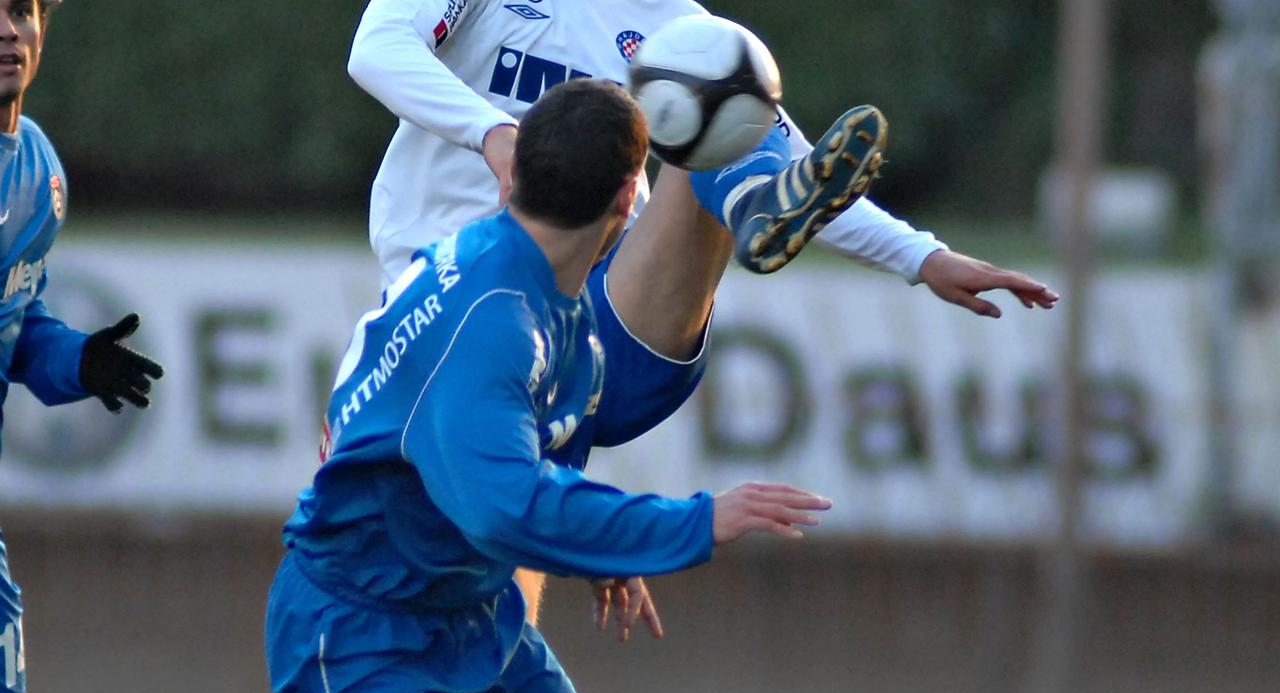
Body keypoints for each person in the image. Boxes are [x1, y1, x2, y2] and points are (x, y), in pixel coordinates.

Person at [346, 0, 1060, 631]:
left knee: (714, 74)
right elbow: (376, 47)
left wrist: (924, 258)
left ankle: (751, 207)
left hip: (593, 341)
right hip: (449, 334)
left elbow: (800, 164)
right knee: (482, 617)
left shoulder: (675, 27)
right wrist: (493, 132)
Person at [266, 78, 833, 693]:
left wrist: (595, 546)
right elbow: (507, 505)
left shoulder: (540, 284)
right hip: (361, 640)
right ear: (629, 198)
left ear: (518, 168)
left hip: (471, 608)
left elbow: (521, 455)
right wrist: (698, 520)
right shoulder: (496, 321)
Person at [0, 0, 165, 693]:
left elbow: (15, 327)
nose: (8, 29)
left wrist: (76, 361)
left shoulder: (39, 172)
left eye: (21, 9)